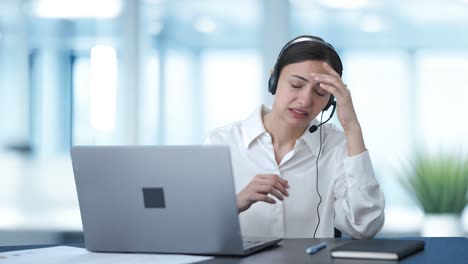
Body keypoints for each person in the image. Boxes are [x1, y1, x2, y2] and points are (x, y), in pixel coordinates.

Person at [205, 35, 385, 238]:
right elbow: (196, 228)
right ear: (273, 80)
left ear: (330, 101)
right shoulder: (221, 142)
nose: (305, 100)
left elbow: (365, 226)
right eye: (296, 85)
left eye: (320, 92)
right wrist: (236, 203)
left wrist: (351, 127)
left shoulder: (338, 146)